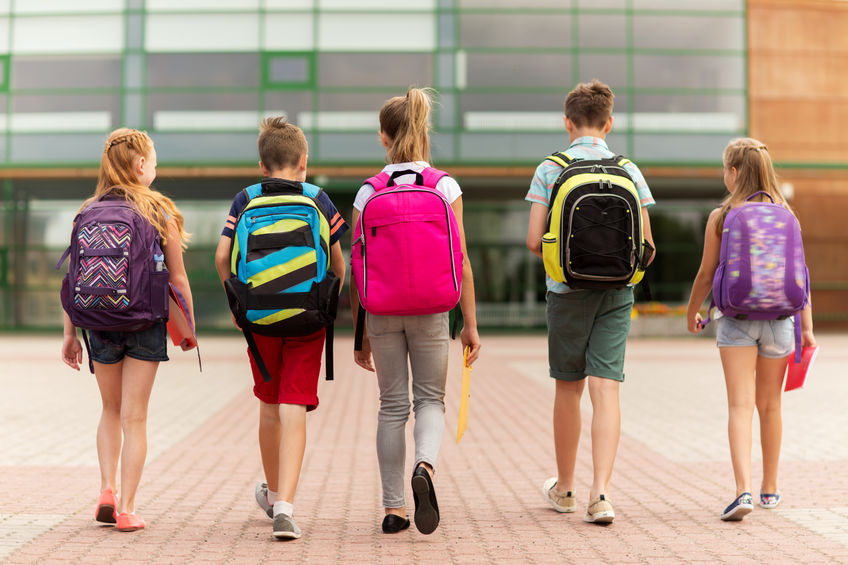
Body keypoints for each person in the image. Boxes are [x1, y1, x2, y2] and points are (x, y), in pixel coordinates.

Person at [349, 87, 481, 535]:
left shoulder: (368, 193)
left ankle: (394, 509)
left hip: (382, 311)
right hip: (433, 309)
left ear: (384, 139)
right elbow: (461, 258)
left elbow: (357, 265)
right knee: (430, 400)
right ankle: (425, 466)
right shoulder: (444, 187)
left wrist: (359, 333)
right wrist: (470, 326)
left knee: (391, 407)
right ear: (424, 133)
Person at [526, 79, 655, 524]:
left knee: (569, 387)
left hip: (566, 291)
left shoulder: (550, 168)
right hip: (617, 293)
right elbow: (647, 243)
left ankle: (564, 489)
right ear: (609, 123)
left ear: (567, 122)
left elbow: (532, 240)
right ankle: (601, 495)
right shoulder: (629, 170)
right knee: (606, 388)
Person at [214, 117, 347, 540]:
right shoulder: (319, 199)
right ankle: (286, 507)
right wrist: (328, 303)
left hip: (260, 319)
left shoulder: (244, 199)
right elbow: (340, 265)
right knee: (294, 405)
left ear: (262, 164)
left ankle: (272, 497)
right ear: (303, 162)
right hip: (308, 318)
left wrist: (239, 305)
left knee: (269, 403)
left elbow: (222, 257)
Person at [61, 128, 196, 532]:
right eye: (153, 161)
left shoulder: (86, 211)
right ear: (140, 166)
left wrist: (69, 334)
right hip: (144, 322)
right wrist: (187, 329)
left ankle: (106, 489)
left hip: (98, 324)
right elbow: (178, 279)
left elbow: (72, 279)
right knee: (135, 417)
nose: (155, 167)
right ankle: (129, 508)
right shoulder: (159, 211)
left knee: (110, 409)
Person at [686, 137, 815, 521]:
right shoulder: (787, 214)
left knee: (740, 407)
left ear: (734, 172)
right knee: (771, 406)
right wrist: (806, 328)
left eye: (726, 168)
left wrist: (692, 311)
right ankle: (770, 489)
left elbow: (707, 274)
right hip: (780, 321)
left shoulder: (723, 215)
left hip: (736, 322)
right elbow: (800, 275)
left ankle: (742, 491)